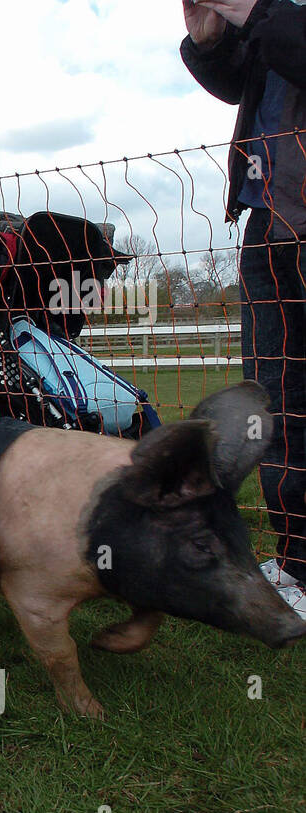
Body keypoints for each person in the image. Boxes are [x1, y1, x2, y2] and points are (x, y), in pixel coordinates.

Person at [182, 0, 306, 618]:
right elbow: (243, 85)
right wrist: (209, 43)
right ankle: (297, 560)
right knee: (277, 399)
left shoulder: (280, 15)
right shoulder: (274, 21)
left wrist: (257, 10)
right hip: (271, 225)